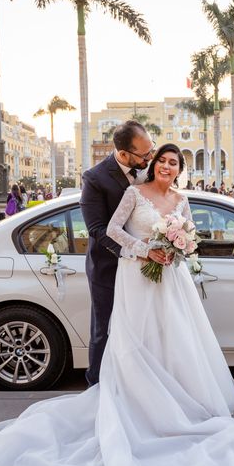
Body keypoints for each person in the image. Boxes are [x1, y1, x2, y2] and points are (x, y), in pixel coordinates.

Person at [0, 143, 234, 466]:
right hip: (137, 276)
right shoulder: (135, 193)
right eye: (162, 161)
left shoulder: (183, 200)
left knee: (175, 338)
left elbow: (191, 237)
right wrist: (144, 251)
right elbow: (112, 230)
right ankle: (140, 406)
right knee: (139, 339)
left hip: (172, 279)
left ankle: (173, 401)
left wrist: (176, 249)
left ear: (181, 169)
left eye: (173, 163)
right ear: (153, 165)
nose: (167, 167)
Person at [80, 120, 157, 387]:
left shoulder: (149, 170)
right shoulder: (95, 178)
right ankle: (97, 388)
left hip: (146, 268)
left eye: (152, 150)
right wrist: (135, 252)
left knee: (143, 328)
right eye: (145, 154)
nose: (150, 158)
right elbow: (97, 230)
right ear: (124, 155)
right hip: (107, 268)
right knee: (104, 329)